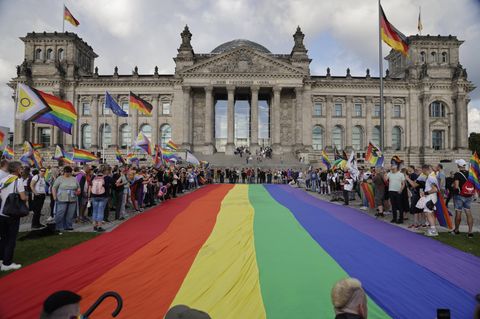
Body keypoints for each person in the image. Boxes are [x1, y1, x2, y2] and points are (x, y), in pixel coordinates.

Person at [0, 161, 27, 271]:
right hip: (12, 213)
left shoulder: (3, 180)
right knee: (11, 239)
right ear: (16, 169)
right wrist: (26, 198)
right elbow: (23, 197)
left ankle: (1, 259)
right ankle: (7, 263)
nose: (22, 170)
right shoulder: (18, 180)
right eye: (21, 168)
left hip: (2, 211)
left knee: (3, 238)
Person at [52, 166, 80, 232]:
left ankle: (68, 226)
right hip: (62, 198)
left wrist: (78, 191)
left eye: (69, 172)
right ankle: (58, 226)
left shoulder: (74, 178)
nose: (67, 174)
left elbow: (78, 187)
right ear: (64, 172)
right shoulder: (59, 178)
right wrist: (54, 196)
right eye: (66, 172)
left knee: (70, 214)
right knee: (60, 213)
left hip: (72, 198)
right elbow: (54, 187)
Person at [451, 159, 475, 238]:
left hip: (459, 195)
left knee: (458, 212)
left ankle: (457, 230)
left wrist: (452, 185)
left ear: (458, 166)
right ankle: (470, 232)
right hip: (468, 195)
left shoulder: (457, 174)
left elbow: (456, 186)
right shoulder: (470, 174)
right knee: (468, 212)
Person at [416, 165, 440, 237]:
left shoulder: (430, 177)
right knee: (430, 213)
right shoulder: (432, 176)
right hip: (432, 197)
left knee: (428, 213)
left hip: (430, 197)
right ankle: (432, 228)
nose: (422, 173)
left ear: (424, 170)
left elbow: (435, 189)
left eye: (422, 171)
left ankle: (433, 230)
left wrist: (425, 193)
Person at [89, 166, 112, 232]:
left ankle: (94, 225)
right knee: (100, 211)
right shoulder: (107, 178)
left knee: (95, 210)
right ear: (106, 171)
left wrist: (89, 196)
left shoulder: (94, 177)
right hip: (103, 196)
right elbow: (114, 184)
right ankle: (99, 226)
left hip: (94, 195)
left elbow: (90, 186)